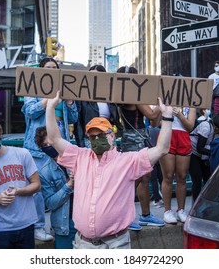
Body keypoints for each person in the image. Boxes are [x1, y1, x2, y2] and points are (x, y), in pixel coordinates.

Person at [46, 91, 173, 249]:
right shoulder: (79, 157)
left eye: (101, 135)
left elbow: (161, 149)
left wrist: (167, 116)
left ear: (112, 136)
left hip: (116, 244)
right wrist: (50, 107)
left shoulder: (128, 161)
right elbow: (54, 139)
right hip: (83, 244)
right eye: (92, 137)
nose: (96, 139)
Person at [21, 56, 77, 242]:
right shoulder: (33, 89)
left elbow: (74, 118)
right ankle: (38, 226)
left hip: (60, 144)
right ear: (41, 70)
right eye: (48, 67)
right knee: (37, 188)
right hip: (39, 147)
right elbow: (29, 111)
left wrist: (69, 102)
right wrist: (49, 100)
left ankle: (60, 226)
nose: (52, 70)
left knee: (63, 184)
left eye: (55, 67)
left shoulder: (64, 90)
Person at [0, 118, 41, 249]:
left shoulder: (22, 154)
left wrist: (18, 191)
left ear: (0, 134)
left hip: (27, 223)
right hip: (1, 227)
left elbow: (37, 185)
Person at [116, 66, 164, 231]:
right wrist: (161, 104)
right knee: (135, 179)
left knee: (144, 177)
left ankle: (145, 215)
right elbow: (152, 116)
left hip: (138, 136)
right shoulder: (133, 96)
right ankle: (125, 217)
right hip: (134, 138)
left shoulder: (127, 96)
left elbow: (153, 122)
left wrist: (158, 109)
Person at [34, 126, 76, 249]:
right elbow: (50, 203)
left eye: (51, 141)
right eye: (45, 145)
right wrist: (68, 186)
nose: (49, 146)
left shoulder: (78, 158)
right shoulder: (45, 172)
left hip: (86, 220)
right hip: (65, 224)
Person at [158, 106, 195, 224]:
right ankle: (167, 211)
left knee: (182, 177)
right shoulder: (166, 100)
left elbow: (190, 126)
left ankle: (181, 210)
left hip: (183, 137)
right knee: (168, 176)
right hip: (167, 134)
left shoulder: (191, 103)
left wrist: (179, 115)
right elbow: (155, 122)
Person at [74, 64, 122, 148]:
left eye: (97, 76)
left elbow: (116, 119)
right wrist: (81, 144)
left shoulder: (110, 96)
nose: (93, 79)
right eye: (91, 76)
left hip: (107, 137)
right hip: (90, 138)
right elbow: (78, 122)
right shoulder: (82, 96)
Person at [189, 109, 214, 202]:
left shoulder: (216, 128)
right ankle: (195, 207)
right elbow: (200, 148)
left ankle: (207, 204)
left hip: (204, 155)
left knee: (208, 179)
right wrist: (213, 152)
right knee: (197, 180)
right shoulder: (206, 125)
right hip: (193, 152)